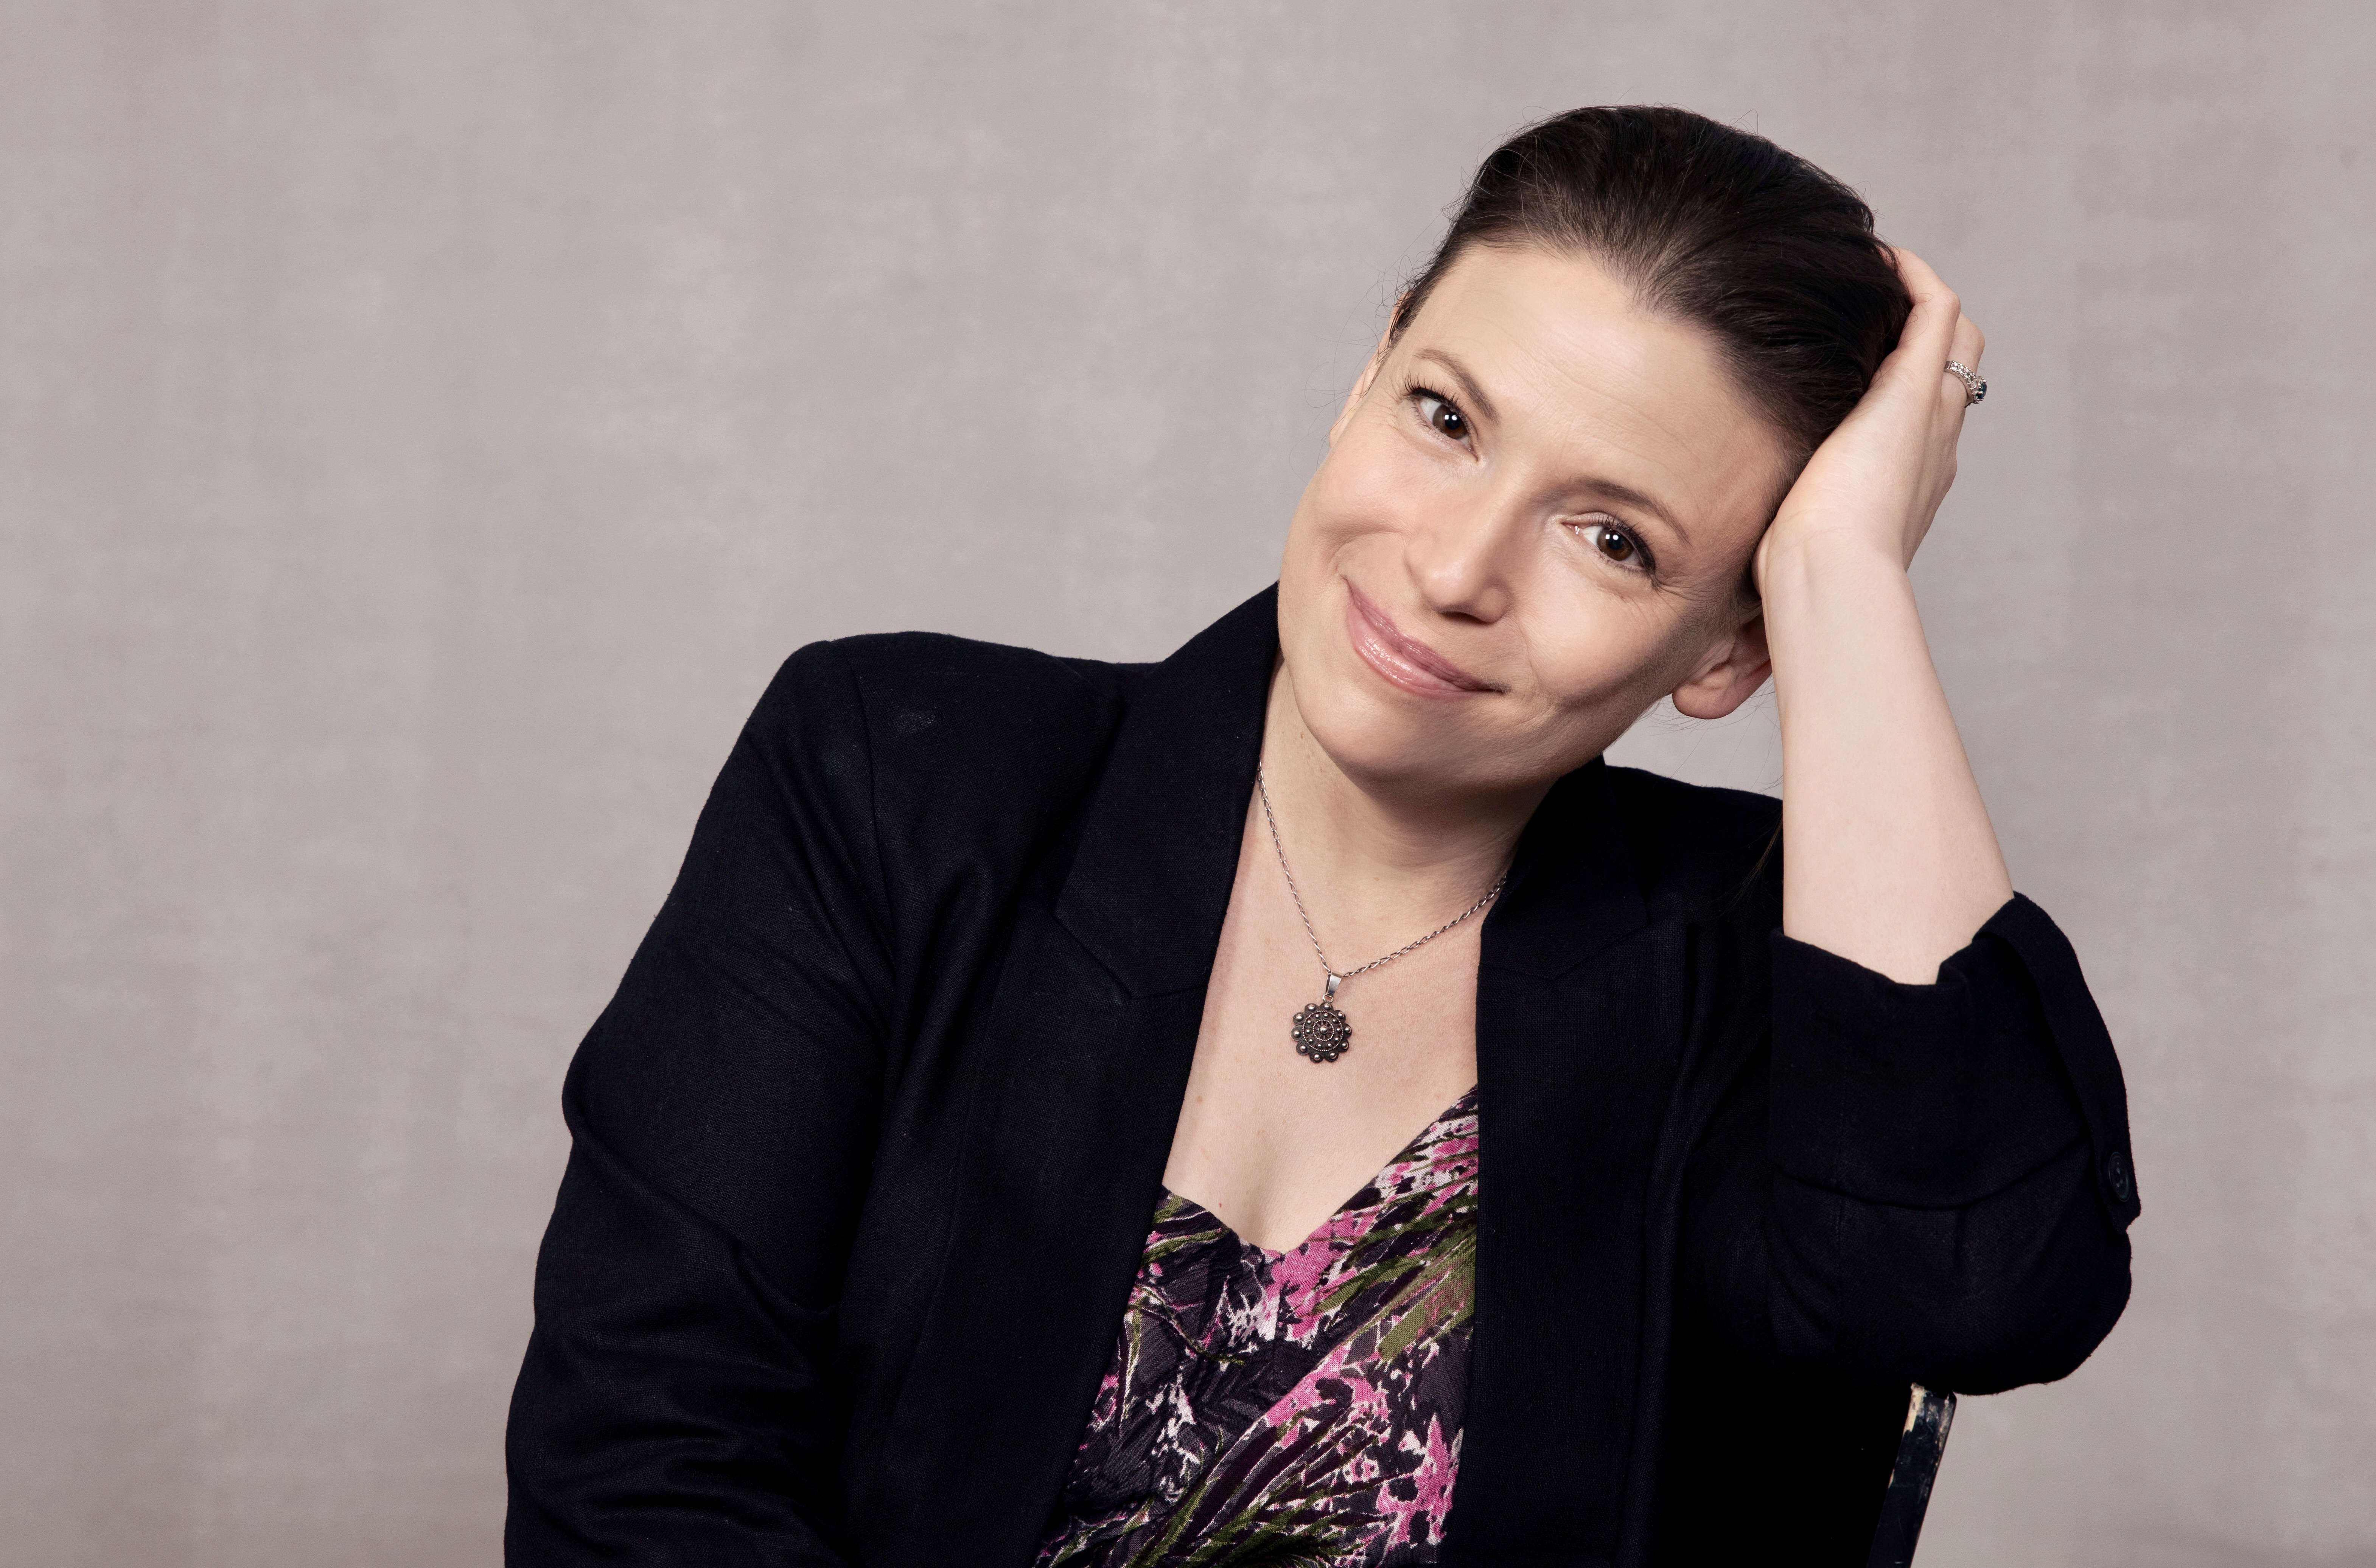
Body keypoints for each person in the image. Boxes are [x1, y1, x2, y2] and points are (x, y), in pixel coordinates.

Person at [504, 106, 2136, 1566]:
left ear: (1730, 645)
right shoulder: (897, 777)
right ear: (1366, 377)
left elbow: (1971, 1290)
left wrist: (1845, 577)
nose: (1453, 569)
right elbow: (643, 1459)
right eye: (1445, 417)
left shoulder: (1761, 965)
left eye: (1612, 537)